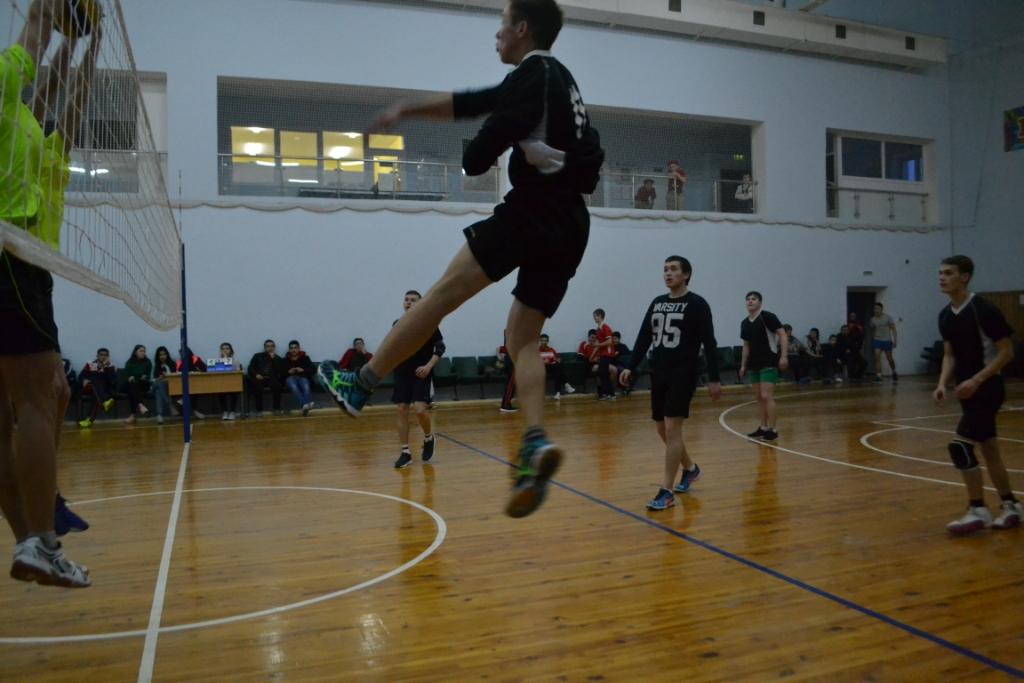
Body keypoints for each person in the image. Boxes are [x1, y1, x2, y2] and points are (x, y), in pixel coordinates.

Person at [319, 0, 603, 518]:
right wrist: (407, 110)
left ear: (522, 28)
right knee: (523, 339)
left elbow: (476, 157)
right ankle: (534, 442)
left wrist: (483, 147)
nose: (497, 35)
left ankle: (358, 385)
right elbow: (475, 102)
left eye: (502, 25)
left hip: (533, 211)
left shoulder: (531, 75)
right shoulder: (564, 83)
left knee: (439, 297)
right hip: (572, 223)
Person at [0, 0, 96, 588]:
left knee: (44, 394)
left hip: (21, 261)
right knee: (38, 399)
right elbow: (36, 36)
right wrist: (61, 19)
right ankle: (41, 537)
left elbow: (59, 91)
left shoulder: (24, 127)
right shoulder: (6, 93)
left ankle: (28, 538)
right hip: (13, 262)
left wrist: (82, 42)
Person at [619, 256, 721, 510]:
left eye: (674, 269)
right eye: (665, 269)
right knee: (661, 429)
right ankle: (691, 468)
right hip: (659, 371)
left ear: (686, 274)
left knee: (673, 428)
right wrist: (630, 366)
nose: (668, 273)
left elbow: (710, 342)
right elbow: (644, 336)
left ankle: (666, 491)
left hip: (683, 373)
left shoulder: (697, 304)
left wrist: (714, 378)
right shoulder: (657, 302)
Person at [932, 255, 1020, 534]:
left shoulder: (984, 310)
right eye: (940, 273)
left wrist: (977, 379)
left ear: (965, 277)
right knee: (990, 449)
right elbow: (949, 355)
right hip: (967, 392)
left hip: (989, 388)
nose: (942, 277)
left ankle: (978, 509)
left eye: (949, 273)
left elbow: (1007, 352)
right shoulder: (945, 316)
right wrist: (942, 383)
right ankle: (1011, 506)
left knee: (960, 447)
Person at [389, 290, 444, 468]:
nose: (408, 302)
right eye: (406, 299)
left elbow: (440, 348)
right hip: (402, 372)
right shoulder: (397, 324)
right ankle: (405, 452)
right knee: (401, 409)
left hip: (421, 373)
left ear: (420, 303)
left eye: (413, 300)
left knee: (420, 410)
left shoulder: (429, 323)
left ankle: (428, 437)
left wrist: (428, 366)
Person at [739, 292, 787, 441]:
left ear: (760, 302)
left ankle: (773, 430)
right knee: (759, 397)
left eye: (753, 299)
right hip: (754, 364)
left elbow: (782, 334)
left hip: (768, 361)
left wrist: (784, 356)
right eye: (748, 299)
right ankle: (763, 428)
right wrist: (743, 365)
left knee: (767, 396)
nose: (750, 301)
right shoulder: (744, 323)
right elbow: (746, 345)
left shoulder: (767, 317)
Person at [78, 347, 116, 428]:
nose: (103, 357)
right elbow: (81, 376)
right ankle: (104, 403)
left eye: (105, 355)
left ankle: (89, 421)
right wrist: (84, 380)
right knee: (94, 382)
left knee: (96, 396)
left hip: (102, 389)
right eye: (101, 355)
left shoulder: (111, 366)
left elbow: (111, 381)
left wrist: (105, 367)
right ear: (97, 356)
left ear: (108, 357)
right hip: (89, 387)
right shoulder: (90, 363)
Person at [248, 339, 284, 415]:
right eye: (268, 346)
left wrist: (273, 359)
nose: (270, 348)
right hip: (259, 377)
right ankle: (259, 410)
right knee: (257, 387)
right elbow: (250, 368)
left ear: (274, 347)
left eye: (272, 346)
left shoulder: (278, 358)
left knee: (277, 386)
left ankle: (276, 409)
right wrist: (256, 374)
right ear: (265, 348)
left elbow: (280, 370)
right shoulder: (257, 356)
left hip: (271, 378)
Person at [283, 339, 316, 416]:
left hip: (302, 377)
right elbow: (281, 372)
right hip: (290, 378)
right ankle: (306, 404)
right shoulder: (285, 360)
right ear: (289, 350)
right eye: (291, 348)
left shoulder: (305, 358)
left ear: (299, 348)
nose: (293, 350)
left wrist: (303, 370)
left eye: (295, 348)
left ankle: (305, 407)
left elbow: (313, 369)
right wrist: (288, 372)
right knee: (294, 387)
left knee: (306, 386)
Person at [869, 302, 898, 383]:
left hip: (887, 340)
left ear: (881, 309)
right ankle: (879, 376)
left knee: (890, 358)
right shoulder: (872, 319)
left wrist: (895, 341)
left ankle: (894, 371)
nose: (876, 310)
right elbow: (872, 329)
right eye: (874, 308)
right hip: (877, 340)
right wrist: (873, 339)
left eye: (877, 308)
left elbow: (893, 329)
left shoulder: (888, 318)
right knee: (877, 357)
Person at [122, 344, 152, 424]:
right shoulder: (129, 362)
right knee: (132, 387)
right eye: (141, 351)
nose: (143, 353)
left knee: (133, 390)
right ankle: (140, 404)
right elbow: (126, 375)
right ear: (135, 352)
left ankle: (133, 415)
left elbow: (148, 375)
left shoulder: (147, 362)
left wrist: (144, 377)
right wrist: (129, 378)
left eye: (144, 351)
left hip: (142, 384)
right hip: (131, 384)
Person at [592, 308, 618, 399]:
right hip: (602, 354)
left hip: (607, 354)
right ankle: (608, 394)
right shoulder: (598, 329)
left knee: (603, 373)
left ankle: (611, 394)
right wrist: (593, 355)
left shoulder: (605, 327)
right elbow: (598, 344)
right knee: (603, 373)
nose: (594, 318)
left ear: (600, 316)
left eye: (595, 316)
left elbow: (610, 341)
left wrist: (598, 345)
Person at [538, 333, 574, 398]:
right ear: (540, 341)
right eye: (542, 340)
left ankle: (558, 393)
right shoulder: (537, 351)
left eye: (545, 341)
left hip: (551, 368)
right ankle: (566, 385)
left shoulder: (551, 350)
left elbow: (557, 358)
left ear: (547, 342)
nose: (544, 342)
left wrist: (558, 359)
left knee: (557, 369)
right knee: (557, 369)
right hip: (541, 369)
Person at [215, 342, 241, 420]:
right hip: (221, 383)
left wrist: (227, 360)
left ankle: (232, 412)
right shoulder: (217, 361)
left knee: (234, 391)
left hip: (233, 383)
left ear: (231, 350)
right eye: (223, 349)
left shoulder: (236, 361)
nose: (225, 350)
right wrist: (223, 360)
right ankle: (225, 411)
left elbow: (237, 372)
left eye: (227, 348)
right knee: (220, 391)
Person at [151, 346, 176, 424]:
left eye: (164, 354)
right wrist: (159, 378)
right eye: (160, 355)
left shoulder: (172, 364)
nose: (162, 356)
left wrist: (167, 377)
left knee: (158, 391)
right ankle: (170, 405)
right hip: (154, 386)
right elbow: (153, 380)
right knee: (159, 383)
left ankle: (159, 415)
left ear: (167, 355)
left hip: (168, 386)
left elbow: (175, 377)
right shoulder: (156, 366)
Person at [497, 333, 517, 413]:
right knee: (510, 385)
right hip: (512, 362)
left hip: (511, 361)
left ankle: (507, 404)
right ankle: (505, 406)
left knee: (511, 385)